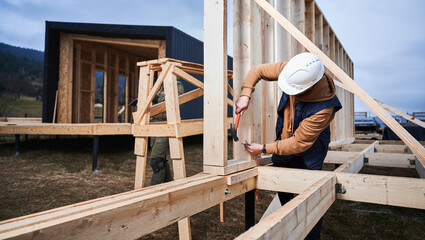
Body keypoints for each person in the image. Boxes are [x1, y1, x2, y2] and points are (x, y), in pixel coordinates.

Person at [235, 52, 342, 240]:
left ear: (307, 88)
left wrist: (264, 148)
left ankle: (309, 234)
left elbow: (299, 143)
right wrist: (245, 94)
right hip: (283, 143)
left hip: (309, 153)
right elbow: (257, 70)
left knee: (309, 199)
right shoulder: (295, 70)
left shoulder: (324, 107)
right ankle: (287, 225)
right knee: (283, 186)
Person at [149, 75, 185, 185]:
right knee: (162, 160)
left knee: (156, 161)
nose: (159, 72)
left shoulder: (177, 85)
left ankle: (155, 190)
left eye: (161, 69)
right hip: (154, 124)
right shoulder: (159, 85)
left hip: (166, 124)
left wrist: (158, 103)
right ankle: (169, 185)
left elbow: (177, 104)